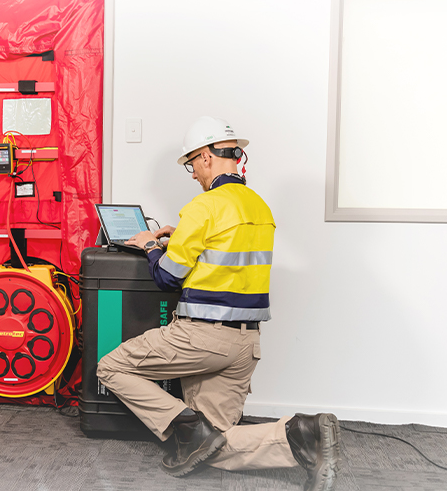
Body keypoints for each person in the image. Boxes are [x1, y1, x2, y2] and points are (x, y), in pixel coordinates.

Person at [95, 116, 342, 491]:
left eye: (192, 163)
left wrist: (148, 245)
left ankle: (185, 426)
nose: (193, 174)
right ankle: (303, 435)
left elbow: (167, 279)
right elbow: (226, 253)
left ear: (208, 156)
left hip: (201, 338)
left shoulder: (203, 206)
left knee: (111, 367)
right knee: (212, 448)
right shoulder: (259, 208)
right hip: (245, 345)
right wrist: (180, 239)